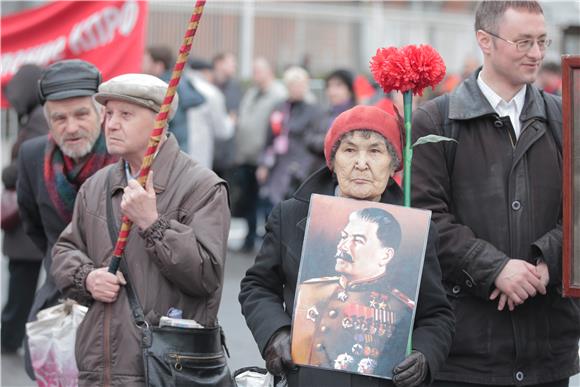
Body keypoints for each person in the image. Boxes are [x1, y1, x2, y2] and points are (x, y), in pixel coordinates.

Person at [410, 1, 580, 386]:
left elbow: (579, 210)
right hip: (464, 347)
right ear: (484, 40)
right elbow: (425, 218)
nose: (536, 53)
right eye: (523, 42)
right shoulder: (437, 120)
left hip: (546, 346)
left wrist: (546, 262)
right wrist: (495, 269)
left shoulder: (566, 116)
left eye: (541, 41)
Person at [240, 105, 455, 387]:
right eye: (350, 150)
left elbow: (437, 314)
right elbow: (257, 286)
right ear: (333, 159)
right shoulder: (292, 215)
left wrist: (424, 355)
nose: (361, 163)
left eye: (375, 151)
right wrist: (276, 333)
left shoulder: (414, 229)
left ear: (393, 164)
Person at [50, 73, 230, 385]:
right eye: (108, 113)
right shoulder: (96, 186)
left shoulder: (202, 187)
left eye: (126, 115)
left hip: (165, 371)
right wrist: (87, 277)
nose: (111, 124)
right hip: (99, 370)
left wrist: (153, 223)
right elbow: (65, 251)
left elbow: (206, 275)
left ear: (159, 123)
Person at [17, 59, 116, 378]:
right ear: (48, 121)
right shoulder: (32, 156)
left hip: (117, 302)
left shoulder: (122, 155)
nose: (71, 127)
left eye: (81, 114)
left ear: (101, 113)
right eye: (59, 118)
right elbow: (35, 227)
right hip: (60, 298)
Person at [292, 207, 418, 377]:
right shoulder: (309, 289)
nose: (342, 246)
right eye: (344, 237)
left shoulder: (400, 308)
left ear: (385, 256)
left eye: (358, 240)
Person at [1, 64, 48, 354]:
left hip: (29, 218)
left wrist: (8, 173)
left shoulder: (39, 120)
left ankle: (10, 336)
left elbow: (30, 165)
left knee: (22, 283)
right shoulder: (37, 116)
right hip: (29, 218)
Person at [231, 57, 287, 253]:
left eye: (258, 71)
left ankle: (268, 244)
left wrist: (268, 158)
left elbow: (277, 129)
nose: (255, 75)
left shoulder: (278, 95)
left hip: (265, 159)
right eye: (253, 71)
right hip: (246, 156)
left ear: (269, 71)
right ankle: (249, 238)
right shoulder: (252, 93)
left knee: (266, 202)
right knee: (248, 200)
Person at [256, 66, 323, 212]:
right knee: (274, 206)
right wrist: (264, 164)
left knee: (296, 208)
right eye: (292, 84)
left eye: (300, 84)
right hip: (279, 164)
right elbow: (270, 138)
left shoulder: (314, 110)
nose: (296, 88)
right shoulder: (279, 107)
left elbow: (315, 139)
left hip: (302, 166)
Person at [142, 45, 205, 152]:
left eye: (146, 61)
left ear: (158, 66)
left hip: (168, 148)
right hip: (178, 148)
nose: (142, 64)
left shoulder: (164, 89)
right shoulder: (179, 82)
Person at [184, 58, 234, 169]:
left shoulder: (177, 87)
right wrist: (231, 121)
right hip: (198, 156)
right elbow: (222, 131)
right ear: (207, 72)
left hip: (174, 153)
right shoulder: (211, 93)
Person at [306, 68, 356, 175]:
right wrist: (330, 141)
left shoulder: (356, 115)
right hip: (321, 171)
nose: (332, 91)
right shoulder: (322, 113)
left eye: (338, 86)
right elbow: (309, 139)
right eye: (329, 86)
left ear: (349, 89)